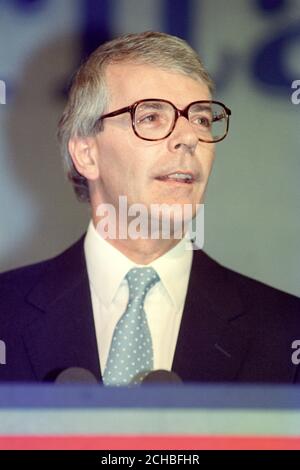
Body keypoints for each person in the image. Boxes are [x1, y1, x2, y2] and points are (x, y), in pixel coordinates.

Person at [0, 31, 299, 384]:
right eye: (152, 118)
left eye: (202, 119)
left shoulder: (285, 330)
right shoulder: (7, 312)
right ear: (86, 153)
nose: (189, 138)